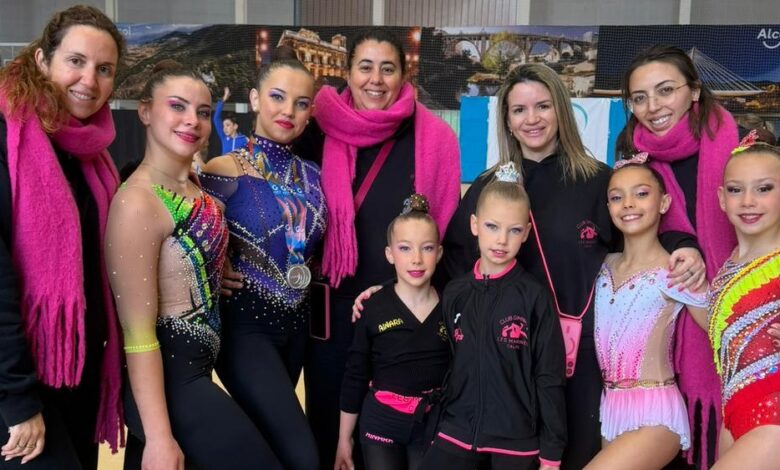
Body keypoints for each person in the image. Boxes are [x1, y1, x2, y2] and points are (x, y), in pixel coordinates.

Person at [436, 63, 703, 470]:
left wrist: (684, 246)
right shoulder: (489, 189)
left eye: (543, 106)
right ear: (506, 120)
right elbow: (453, 266)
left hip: (578, 363)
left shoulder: (598, 182)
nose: (532, 119)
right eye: (519, 110)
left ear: (561, 109)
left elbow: (640, 236)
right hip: (504, 362)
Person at [106, 61, 281, 470]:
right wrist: (158, 437)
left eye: (203, 112)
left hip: (198, 370)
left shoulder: (195, 188)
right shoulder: (137, 202)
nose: (193, 120)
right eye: (177, 106)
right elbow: (137, 334)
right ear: (145, 111)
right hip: (171, 381)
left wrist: (217, 267)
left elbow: (191, 257)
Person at [303, 30, 461, 468]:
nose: (376, 79)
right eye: (365, 67)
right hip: (336, 312)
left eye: (387, 68)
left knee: (396, 441)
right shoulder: (318, 132)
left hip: (404, 313)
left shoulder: (432, 139)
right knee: (330, 430)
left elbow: (448, 233)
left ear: (404, 75)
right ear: (348, 72)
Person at [0, 5, 125, 467]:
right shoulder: (7, 137)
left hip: (79, 372)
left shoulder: (93, 155)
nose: (89, 80)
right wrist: (17, 399)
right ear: (42, 59)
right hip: (18, 382)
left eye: (104, 69)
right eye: (76, 61)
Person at [616, 44, 739, 468]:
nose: (653, 107)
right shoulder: (633, 156)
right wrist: (681, 243)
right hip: (667, 333)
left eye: (665, 90)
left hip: (742, 313)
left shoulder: (737, 144)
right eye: (640, 97)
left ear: (695, 91)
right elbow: (637, 223)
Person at [200, 58, 324, 470]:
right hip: (245, 330)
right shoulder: (221, 171)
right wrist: (215, 268)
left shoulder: (315, 175)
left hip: (298, 329)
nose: (288, 111)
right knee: (303, 456)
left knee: (271, 449)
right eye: (277, 97)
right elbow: (190, 242)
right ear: (254, 99)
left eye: (301, 103)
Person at [419, 163, 565, 470]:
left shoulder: (534, 296)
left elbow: (549, 376)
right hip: (457, 430)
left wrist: (552, 453)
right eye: (492, 226)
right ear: (474, 224)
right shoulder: (455, 292)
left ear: (526, 233)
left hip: (516, 441)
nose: (501, 240)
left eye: (514, 230)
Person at [585, 158, 709, 470]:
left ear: (664, 202)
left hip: (656, 411)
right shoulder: (601, 266)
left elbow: (720, 326)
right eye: (617, 197)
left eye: (641, 194)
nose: (628, 203)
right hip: (611, 409)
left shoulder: (676, 270)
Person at [335, 194, 449, 470]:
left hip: (433, 425)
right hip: (381, 426)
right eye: (405, 248)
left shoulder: (453, 305)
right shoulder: (372, 307)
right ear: (389, 254)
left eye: (427, 248)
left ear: (439, 253)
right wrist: (343, 439)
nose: (416, 259)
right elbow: (355, 375)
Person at [708, 137, 780, 470]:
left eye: (764, 189)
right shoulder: (731, 262)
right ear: (722, 199)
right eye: (736, 190)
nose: (748, 201)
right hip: (734, 410)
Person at [214, 86, 249, 153]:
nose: (225, 128)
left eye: (228, 125)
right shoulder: (223, 137)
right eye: (223, 126)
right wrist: (224, 99)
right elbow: (216, 118)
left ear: (235, 126)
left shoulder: (244, 139)